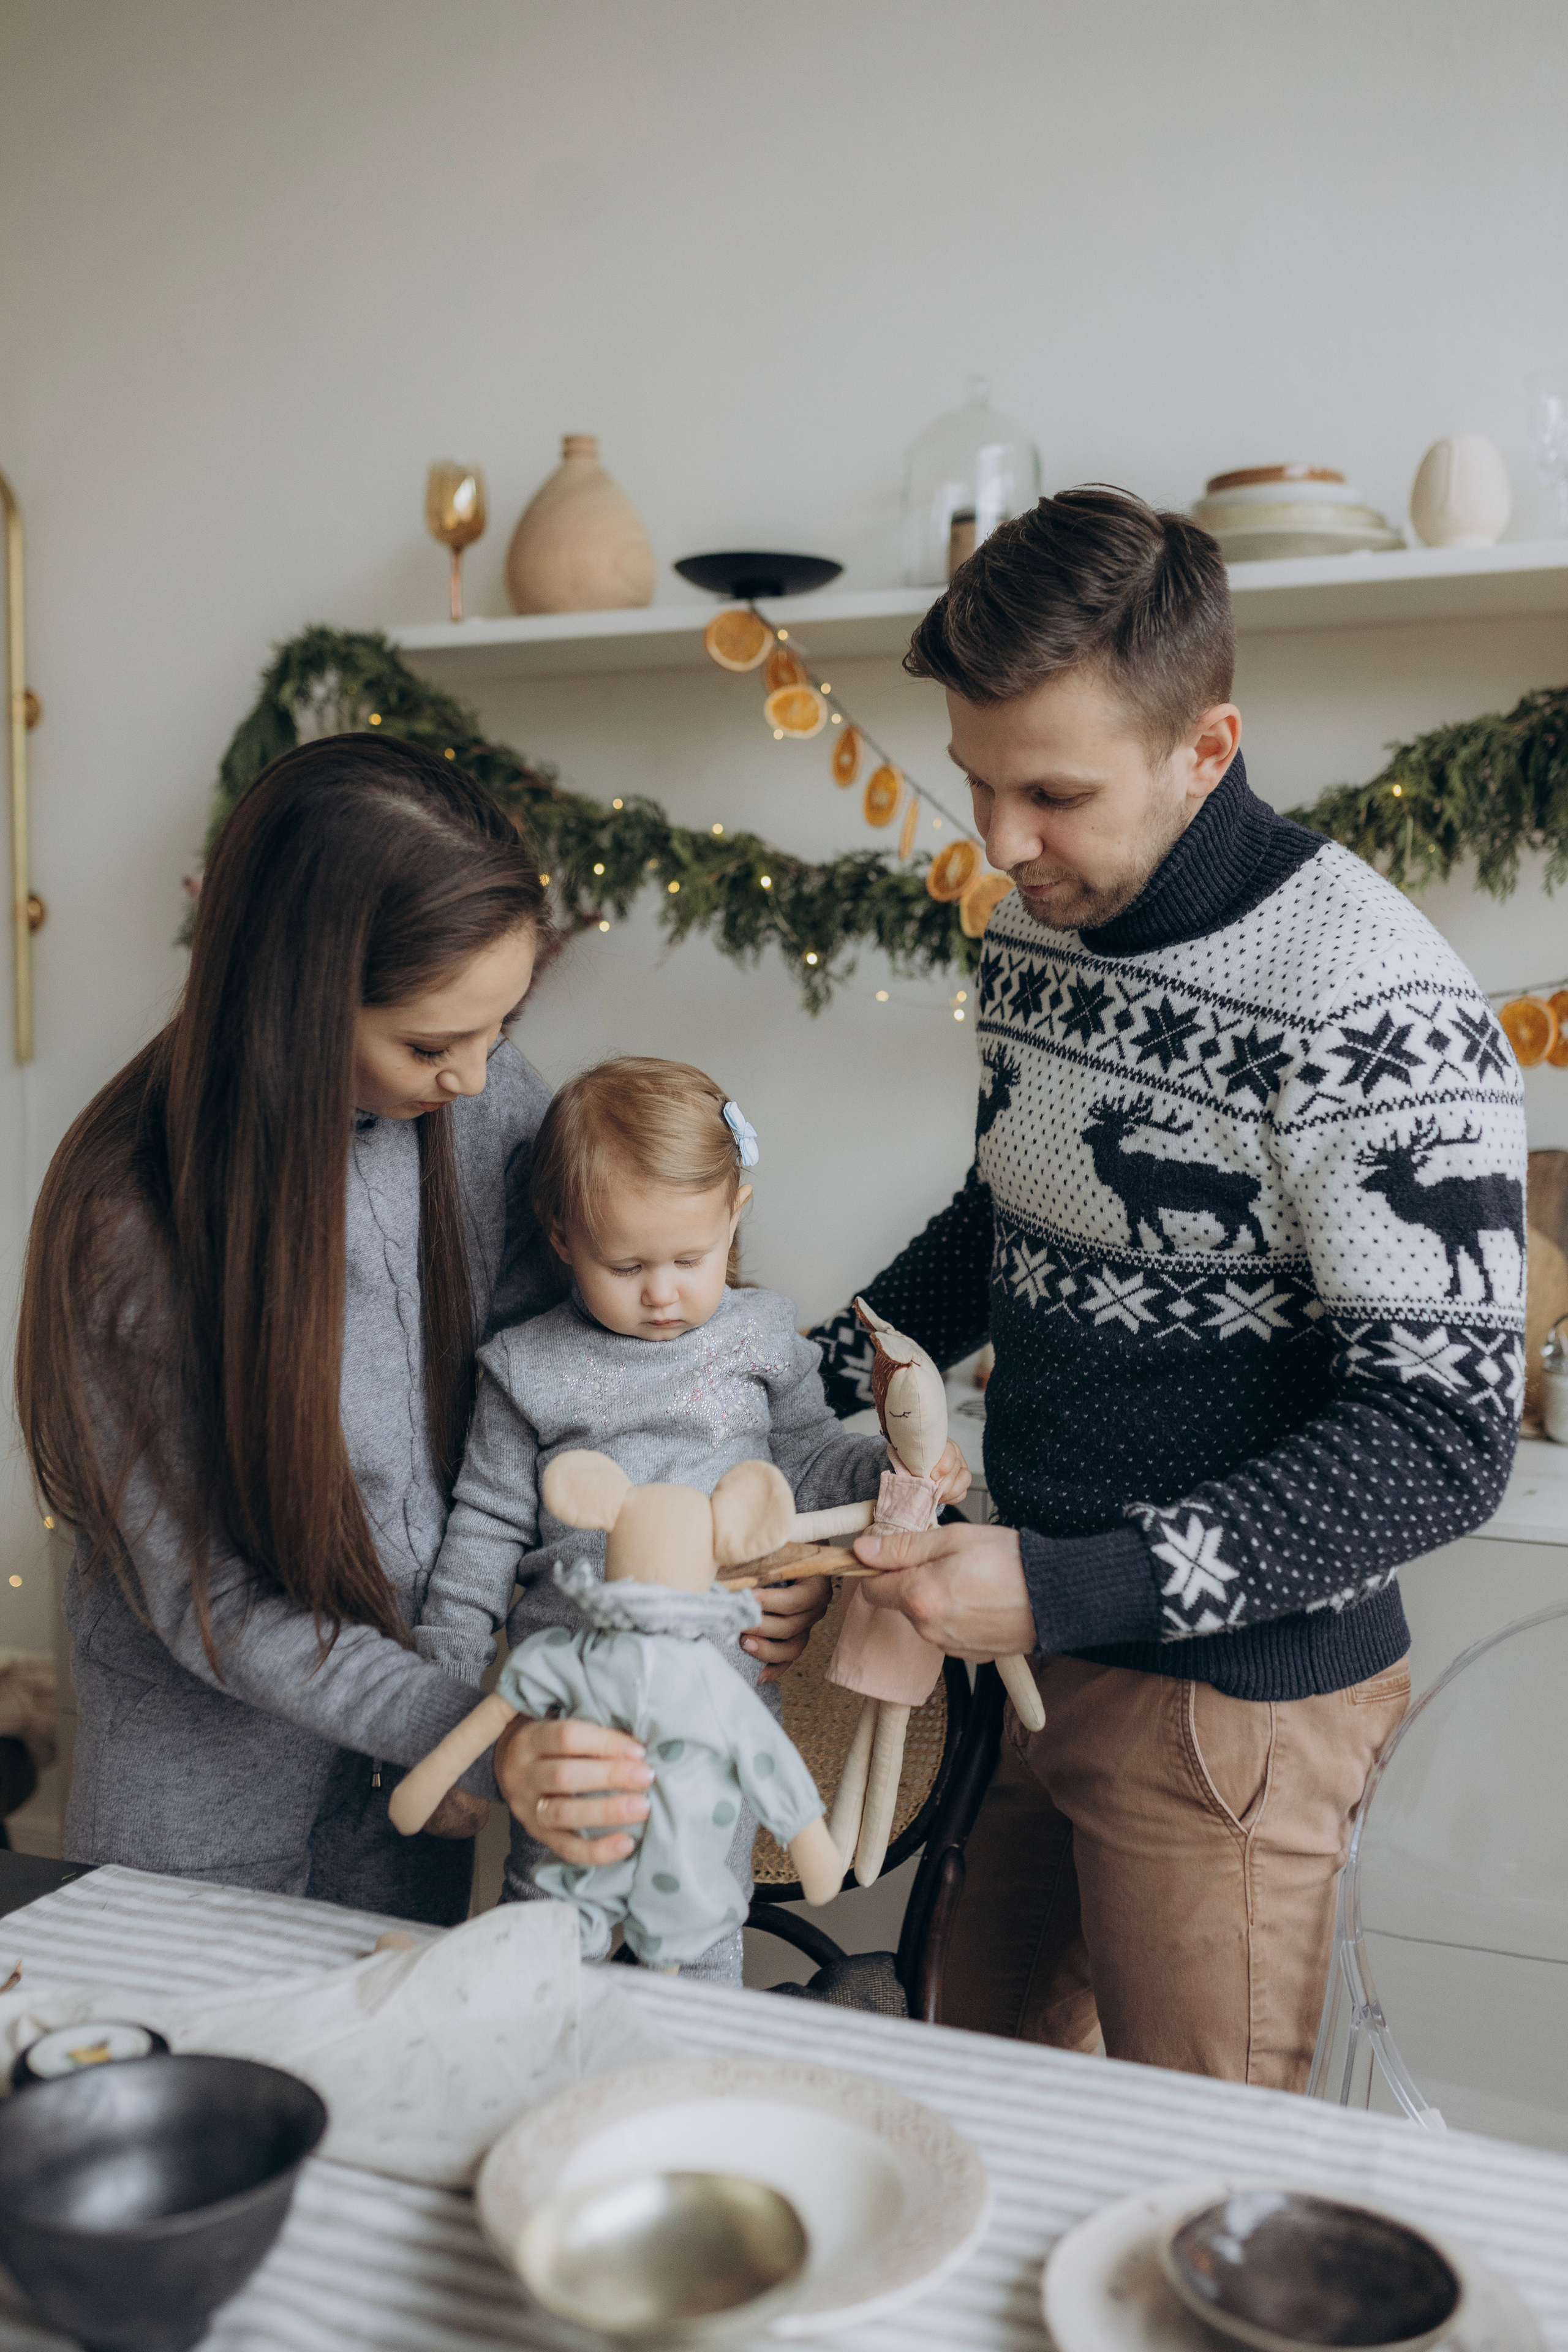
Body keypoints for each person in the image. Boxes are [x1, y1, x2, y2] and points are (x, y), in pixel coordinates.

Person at [810, 488, 1527, 2087]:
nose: (998, 844)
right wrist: (793, 1385)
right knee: (968, 2104)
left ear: (1207, 749)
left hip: (1235, 1718)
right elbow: (1014, 1216)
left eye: (1053, 792)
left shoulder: (1372, 999)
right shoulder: (1032, 928)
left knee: (1205, 2190)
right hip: (1024, 1656)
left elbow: (1441, 1441)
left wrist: (1065, 1588)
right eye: (975, 783)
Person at [15, 739, 824, 1920]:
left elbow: (596, 1389)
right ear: (293, 1008)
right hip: (204, 1807)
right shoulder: (128, 1224)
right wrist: (467, 1729)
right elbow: (215, 1604)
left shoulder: (484, 1102)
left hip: (418, 1785)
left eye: (502, 1026)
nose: (482, 1077)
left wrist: (733, 1554)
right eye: (432, 1045)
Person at [413, 1055, 968, 1977]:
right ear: (560, 1235)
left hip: (717, 1714)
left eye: (689, 1259)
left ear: (734, 1217)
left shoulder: (757, 1341)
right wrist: (443, 1695)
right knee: (550, 1926)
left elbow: (814, 1464)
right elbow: (478, 1542)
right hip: (575, 1717)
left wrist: (896, 1465)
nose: (662, 1293)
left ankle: (694, 2075)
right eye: (625, 1264)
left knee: (705, 1923)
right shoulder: (525, 1369)